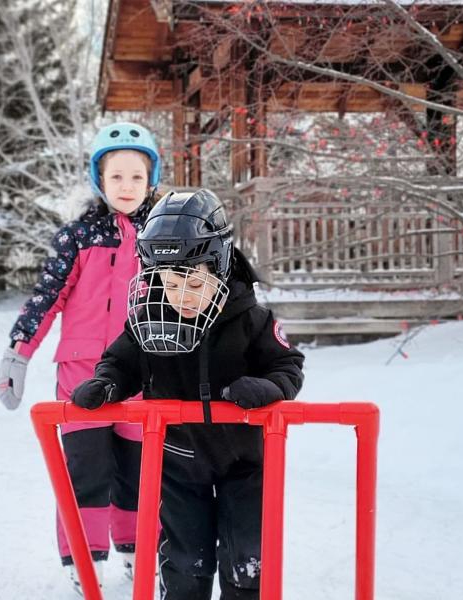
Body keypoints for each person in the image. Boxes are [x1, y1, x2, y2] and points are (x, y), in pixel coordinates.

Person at [70, 188, 305, 600]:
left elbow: (287, 365)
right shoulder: (150, 319)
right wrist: (106, 383)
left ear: (219, 267)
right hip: (177, 463)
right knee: (183, 561)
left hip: (245, 463)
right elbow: (121, 361)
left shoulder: (251, 318)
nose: (183, 294)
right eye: (171, 280)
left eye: (195, 281)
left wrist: (266, 388)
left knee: (247, 557)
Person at [0, 122, 161, 591]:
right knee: (86, 472)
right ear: (99, 180)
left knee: (139, 472)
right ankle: (83, 562)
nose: (126, 186)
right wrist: (18, 353)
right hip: (82, 375)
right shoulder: (79, 237)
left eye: (136, 176)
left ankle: (136, 552)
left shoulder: (165, 236)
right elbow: (46, 298)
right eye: (116, 177)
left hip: (144, 372)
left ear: (151, 180)